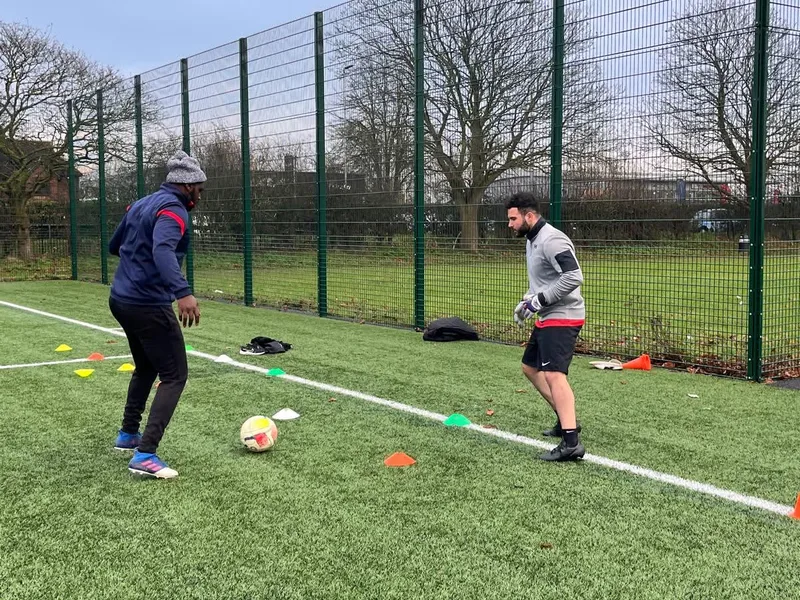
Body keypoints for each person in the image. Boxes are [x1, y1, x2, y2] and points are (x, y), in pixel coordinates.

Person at [108, 150, 206, 479]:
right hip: (146, 304)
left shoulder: (141, 204)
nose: (200, 195)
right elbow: (162, 249)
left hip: (121, 298)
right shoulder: (173, 210)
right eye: (200, 188)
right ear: (188, 185)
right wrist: (183, 293)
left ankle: (128, 434)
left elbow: (114, 245)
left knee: (147, 366)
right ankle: (146, 453)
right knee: (175, 375)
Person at [506, 192, 586, 461]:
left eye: (513, 218)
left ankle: (571, 442)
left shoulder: (552, 239)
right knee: (530, 368)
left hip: (564, 315)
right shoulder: (532, 239)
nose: (510, 224)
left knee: (554, 375)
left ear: (530, 216)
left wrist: (539, 300)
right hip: (548, 315)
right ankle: (566, 420)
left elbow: (574, 276)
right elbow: (542, 282)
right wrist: (527, 301)